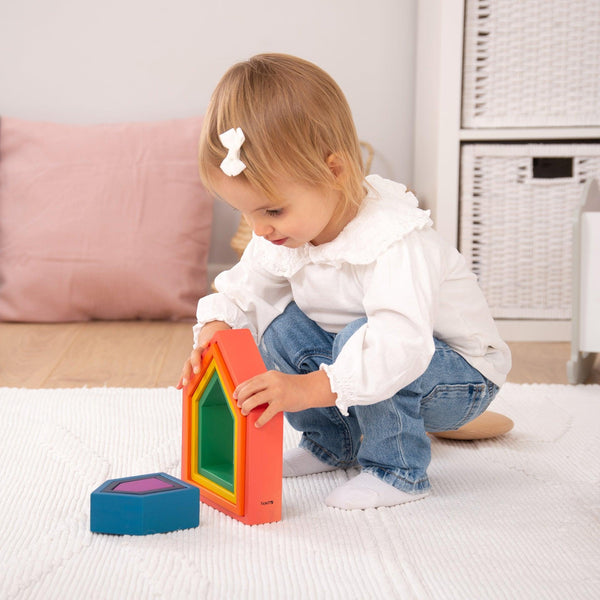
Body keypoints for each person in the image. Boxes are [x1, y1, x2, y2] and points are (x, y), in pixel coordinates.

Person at [177, 53, 511, 510]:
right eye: (244, 211)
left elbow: (402, 347)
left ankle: (397, 470)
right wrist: (216, 330)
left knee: (364, 336)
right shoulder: (283, 233)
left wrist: (306, 389)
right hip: (355, 361)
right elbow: (245, 291)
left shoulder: (393, 238)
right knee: (279, 325)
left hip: (455, 376)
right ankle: (334, 443)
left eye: (272, 210)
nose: (258, 228)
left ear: (334, 171)